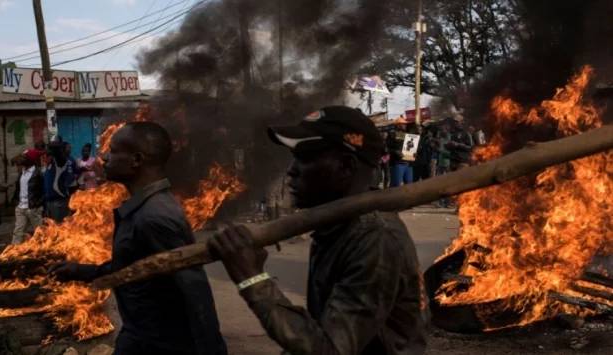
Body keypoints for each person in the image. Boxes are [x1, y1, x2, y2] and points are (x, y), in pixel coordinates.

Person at [208, 106, 429, 355]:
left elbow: (329, 350)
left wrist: (252, 279)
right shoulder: (336, 226)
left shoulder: (374, 238)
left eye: (306, 158)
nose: (292, 170)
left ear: (346, 167)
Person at [49, 121, 227, 355]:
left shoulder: (155, 217)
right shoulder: (144, 210)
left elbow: (195, 293)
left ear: (136, 160)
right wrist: (81, 271)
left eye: (113, 151)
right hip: (138, 340)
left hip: (160, 346)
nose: (103, 157)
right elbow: (133, 267)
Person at [12, 151, 45, 244]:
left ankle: (42, 253)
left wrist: (37, 204)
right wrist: (16, 201)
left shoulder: (38, 173)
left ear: (30, 160)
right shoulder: (22, 171)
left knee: (39, 233)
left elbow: (45, 191)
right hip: (20, 207)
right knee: (18, 232)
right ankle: (14, 254)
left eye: (23, 157)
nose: (20, 159)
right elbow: (19, 189)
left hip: (33, 208)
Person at [44, 141, 71, 223]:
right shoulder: (51, 162)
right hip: (49, 202)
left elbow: (56, 148)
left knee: (58, 229)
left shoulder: (60, 162)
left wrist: (49, 146)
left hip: (58, 202)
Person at [387, 118, 414, 186]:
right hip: (397, 164)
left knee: (409, 185)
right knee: (396, 185)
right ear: (398, 125)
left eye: (405, 124)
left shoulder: (408, 135)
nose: (405, 125)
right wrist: (396, 152)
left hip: (408, 164)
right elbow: (386, 148)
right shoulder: (391, 134)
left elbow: (411, 148)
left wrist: (414, 153)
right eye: (403, 124)